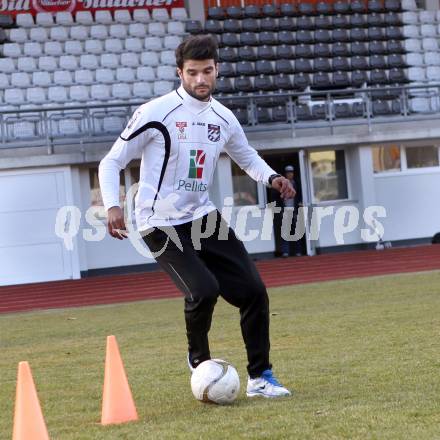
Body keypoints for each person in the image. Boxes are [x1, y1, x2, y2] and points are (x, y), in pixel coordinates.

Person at [98, 35, 295, 398]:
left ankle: (260, 378)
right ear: (180, 73)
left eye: (207, 71)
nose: (201, 79)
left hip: (202, 217)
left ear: (217, 69)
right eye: (192, 73)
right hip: (158, 222)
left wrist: (272, 178)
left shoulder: (223, 117)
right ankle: (198, 361)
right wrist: (113, 205)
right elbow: (112, 161)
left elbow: (246, 156)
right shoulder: (156, 112)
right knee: (204, 290)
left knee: (253, 291)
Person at [279, 165, 303, 258]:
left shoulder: (297, 183)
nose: (290, 174)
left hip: (295, 210)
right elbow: (276, 197)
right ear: (285, 174)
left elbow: (300, 195)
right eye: (288, 172)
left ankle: (298, 251)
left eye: (291, 172)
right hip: (285, 210)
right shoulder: (281, 184)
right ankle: (285, 252)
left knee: (297, 231)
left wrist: (300, 204)